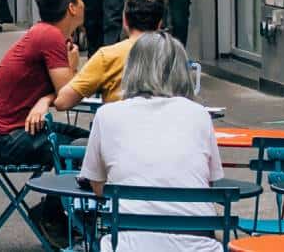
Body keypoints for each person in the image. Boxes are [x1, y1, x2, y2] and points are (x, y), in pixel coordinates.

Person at [79, 33, 223, 252]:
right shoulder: (199, 115)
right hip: (197, 242)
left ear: (132, 69)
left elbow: (98, 185)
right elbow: (208, 184)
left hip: (129, 241)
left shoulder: (107, 115)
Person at [0, 0, 88, 246]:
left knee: (90, 141)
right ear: (72, 9)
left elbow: (59, 96)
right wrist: (71, 70)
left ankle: (55, 214)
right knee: (84, 150)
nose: (84, 3)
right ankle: (52, 217)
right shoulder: (50, 36)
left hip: (13, 132)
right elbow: (67, 97)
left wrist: (44, 100)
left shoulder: (46, 33)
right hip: (7, 139)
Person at [55, 0, 168, 110]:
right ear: (159, 24)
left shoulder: (107, 56)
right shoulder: (173, 55)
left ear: (125, 20)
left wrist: (71, 67)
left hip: (120, 128)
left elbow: (62, 102)